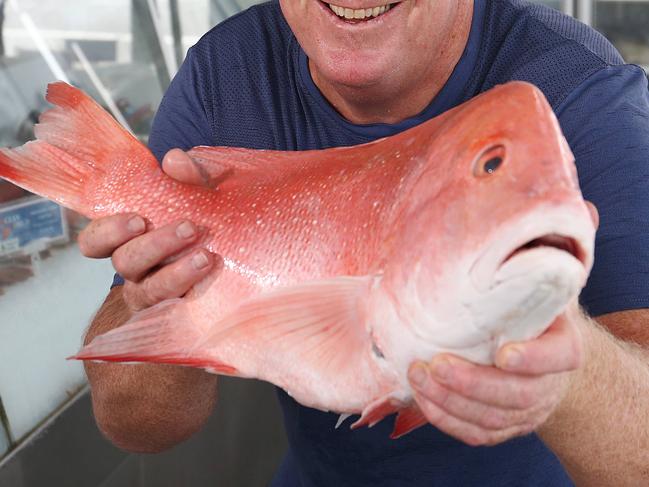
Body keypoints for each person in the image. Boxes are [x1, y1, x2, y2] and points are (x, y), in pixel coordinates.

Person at [79, 1, 649, 485]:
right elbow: (133, 427)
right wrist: (156, 300)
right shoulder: (227, 76)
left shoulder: (580, 89)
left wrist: (563, 371)